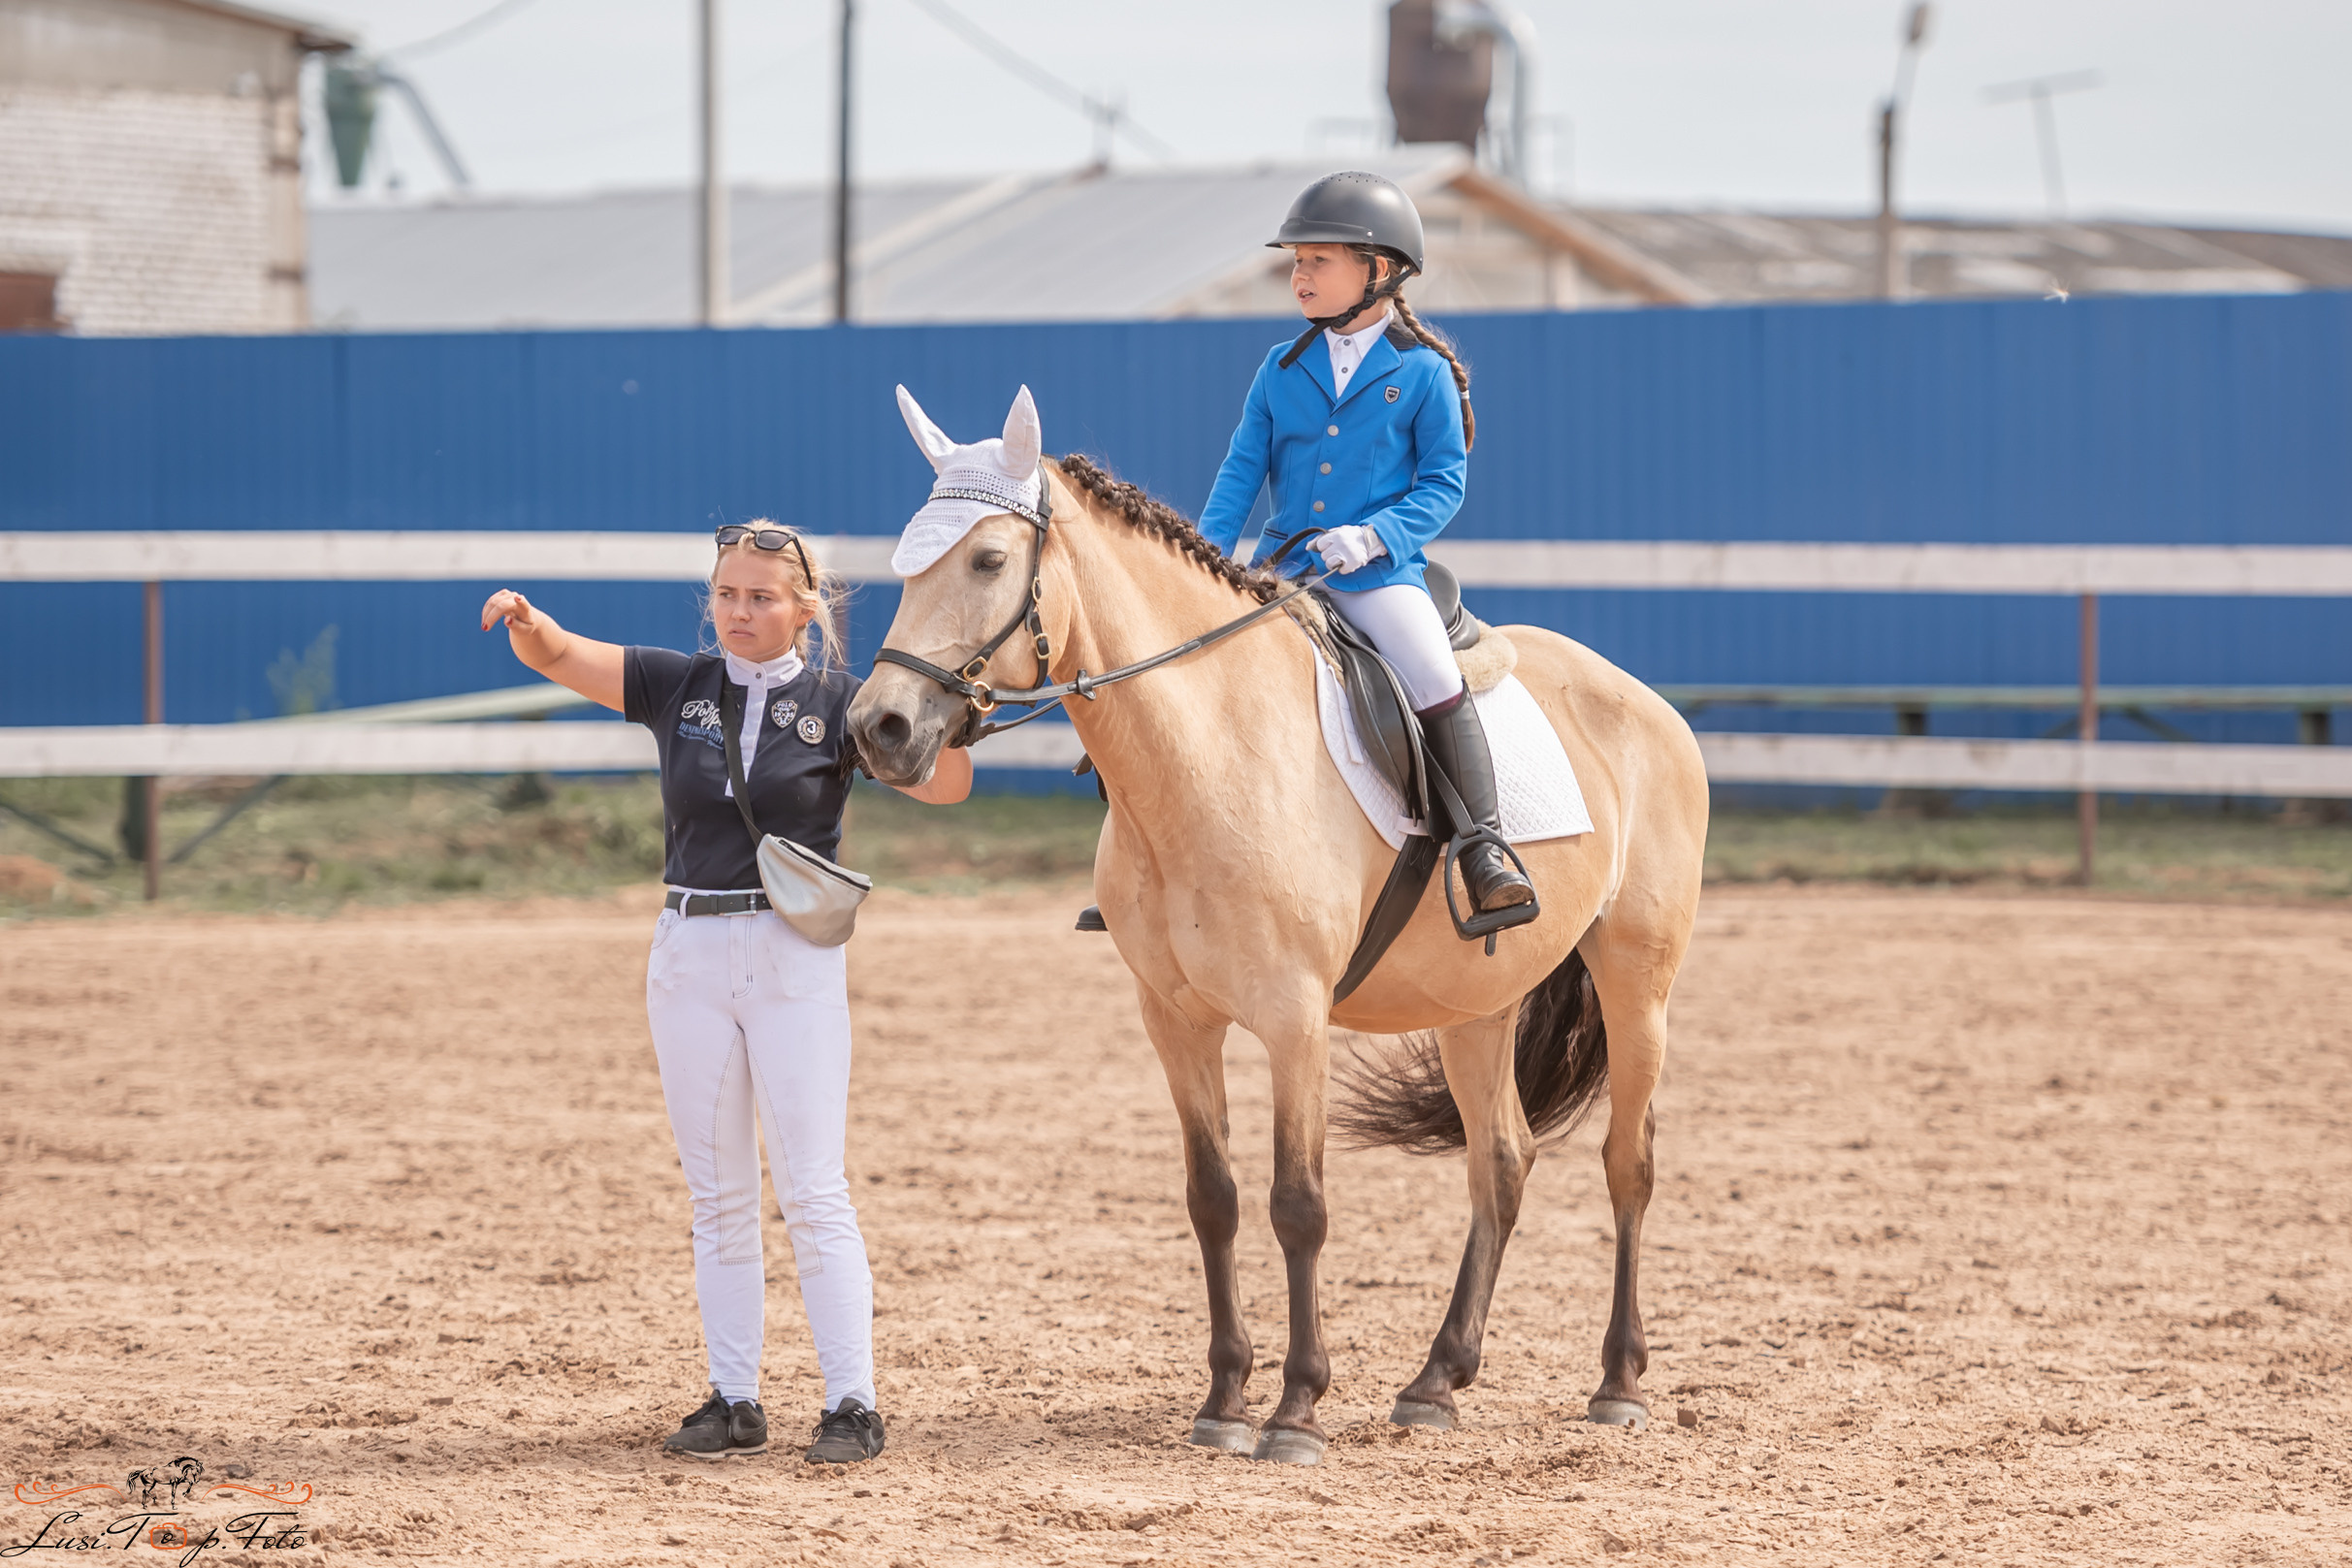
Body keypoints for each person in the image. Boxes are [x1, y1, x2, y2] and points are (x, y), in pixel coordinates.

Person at [478, 523, 970, 1464]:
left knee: (813, 1187)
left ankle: (853, 1401)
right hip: (688, 949)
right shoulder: (678, 684)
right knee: (718, 1195)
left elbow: (946, 785)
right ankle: (733, 1396)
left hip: (791, 958)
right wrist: (529, 622)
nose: (739, 611)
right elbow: (565, 656)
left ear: (803, 608)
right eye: (727, 594)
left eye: (761, 597)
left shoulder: (843, 702)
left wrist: (951, 719)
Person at [1199, 170, 1535, 926]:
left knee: (1429, 670)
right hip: (1283, 568)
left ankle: (1483, 848)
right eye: (1295, 261)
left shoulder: (1422, 373)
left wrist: (1374, 535)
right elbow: (1238, 475)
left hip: (1377, 574)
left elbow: (1444, 484)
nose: (1299, 275)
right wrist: (1205, 563)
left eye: (1318, 260)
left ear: (1378, 270)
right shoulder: (1279, 368)